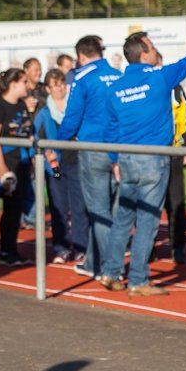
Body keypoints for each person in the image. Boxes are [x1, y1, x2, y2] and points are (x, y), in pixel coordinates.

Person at [100, 30, 186, 295]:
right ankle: (137, 280)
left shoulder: (115, 88)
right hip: (153, 160)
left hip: (126, 160)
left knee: (123, 218)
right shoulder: (160, 77)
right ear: (144, 52)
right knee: (147, 220)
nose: (155, 49)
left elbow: (111, 130)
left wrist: (115, 161)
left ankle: (111, 272)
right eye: (152, 45)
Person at [56, 35, 121, 279]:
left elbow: (72, 118)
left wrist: (57, 145)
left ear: (81, 56)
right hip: (119, 150)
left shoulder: (82, 77)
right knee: (108, 211)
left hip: (93, 150)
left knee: (99, 211)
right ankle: (93, 263)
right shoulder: (118, 75)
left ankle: (109, 269)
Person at [37, 68, 87, 263]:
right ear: (48, 89)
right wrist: (46, 153)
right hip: (55, 166)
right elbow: (37, 136)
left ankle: (81, 246)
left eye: (60, 84)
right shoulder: (44, 113)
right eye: (54, 85)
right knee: (58, 204)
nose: (58, 89)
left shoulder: (74, 108)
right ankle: (61, 247)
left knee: (79, 206)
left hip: (76, 162)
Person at [0, 67, 33, 266]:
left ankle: (10, 250)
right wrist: (0, 165)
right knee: (9, 207)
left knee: (17, 208)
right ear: (13, 84)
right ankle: (6, 251)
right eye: (24, 82)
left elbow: (26, 131)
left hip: (21, 161)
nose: (28, 86)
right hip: (6, 162)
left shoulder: (21, 105)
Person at [165, 77, 186, 265]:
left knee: (176, 203)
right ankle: (148, 248)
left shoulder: (175, 90)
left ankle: (178, 247)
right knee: (147, 205)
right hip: (150, 156)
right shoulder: (143, 87)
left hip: (174, 155)